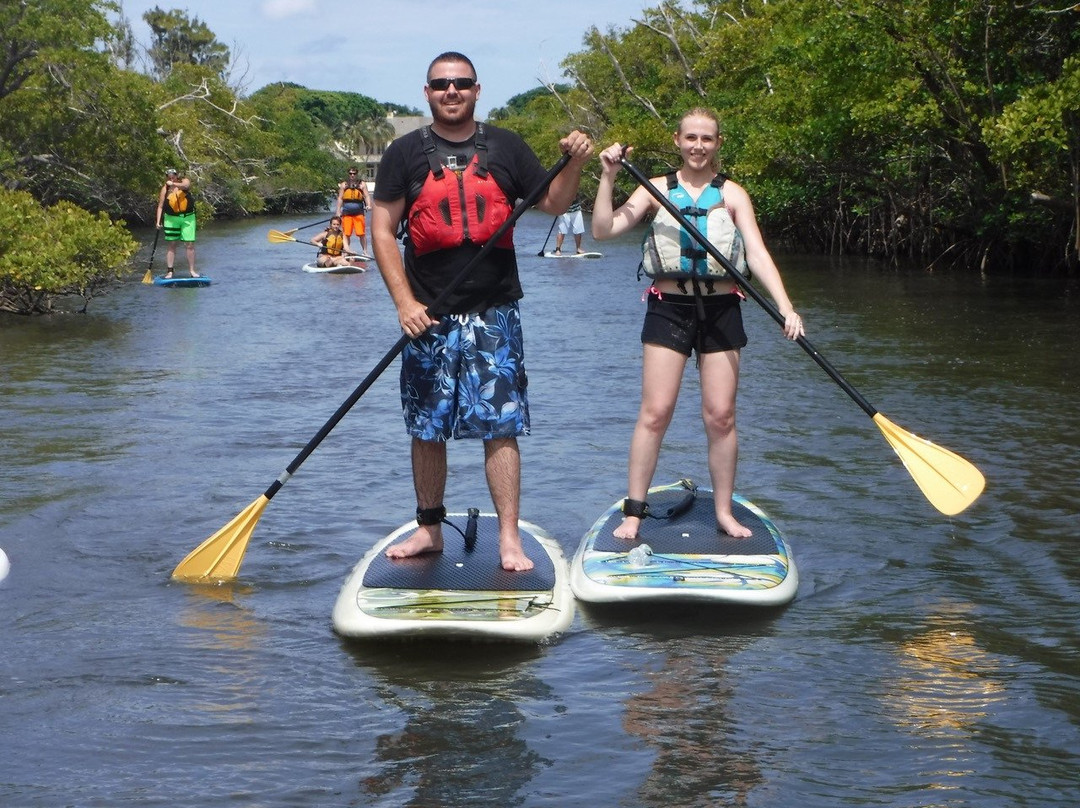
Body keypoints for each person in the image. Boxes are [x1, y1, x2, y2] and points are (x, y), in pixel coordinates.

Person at [371, 51, 593, 571]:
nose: (452, 91)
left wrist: (576, 161)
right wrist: (404, 302)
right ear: (427, 93)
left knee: (502, 425)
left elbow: (555, 203)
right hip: (428, 315)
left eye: (461, 83)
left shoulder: (507, 147)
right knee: (427, 427)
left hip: (494, 313)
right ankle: (429, 530)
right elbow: (382, 230)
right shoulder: (404, 153)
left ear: (476, 89)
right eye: (441, 84)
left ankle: (510, 539)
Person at [591, 107, 804, 539]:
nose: (698, 146)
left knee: (721, 415)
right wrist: (609, 176)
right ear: (677, 140)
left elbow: (758, 255)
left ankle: (724, 512)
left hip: (723, 309)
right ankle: (635, 511)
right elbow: (603, 229)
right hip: (669, 308)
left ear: (718, 143)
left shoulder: (734, 194)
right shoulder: (654, 189)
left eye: (707, 139)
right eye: (691, 138)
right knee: (656, 412)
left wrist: (786, 306)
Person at [155, 168, 198, 278]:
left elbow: (185, 186)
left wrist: (174, 184)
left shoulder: (184, 182)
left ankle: (192, 271)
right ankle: (170, 271)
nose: (171, 177)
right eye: (169, 176)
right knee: (172, 244)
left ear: (176, 175)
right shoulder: (165, 189)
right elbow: (160, 206)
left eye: (173, 175)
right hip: (171, 219)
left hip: (188, 218)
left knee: (189, 244)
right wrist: (158, 221)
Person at [336, 166, 372, 253]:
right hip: (347, 213)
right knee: (346, 233)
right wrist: (338, 211)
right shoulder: (344, 185)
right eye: (351, 173)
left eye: (354, 173)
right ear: (348, 174)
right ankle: (347, 251)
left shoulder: (362, 184)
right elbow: (340, 198)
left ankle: (365, 252)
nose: (352, 175)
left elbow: (367, 196)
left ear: (356, 174)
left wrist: (369, 205)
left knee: (361, 233)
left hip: (359, 213)